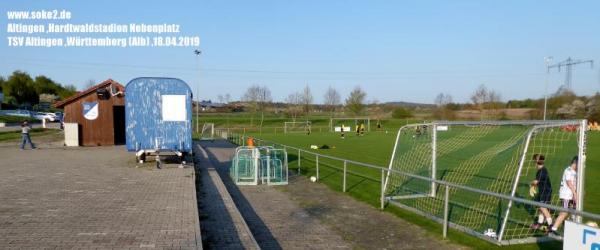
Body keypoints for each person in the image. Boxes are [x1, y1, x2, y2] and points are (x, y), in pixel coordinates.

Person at [549, 156, 579, 236]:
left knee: (574, 209)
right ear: (575, 162)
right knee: (564, 212)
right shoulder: (568, 170)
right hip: (566, 195)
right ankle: (553, 229)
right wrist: (575, 193)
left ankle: (571, 225)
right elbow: (569, 183)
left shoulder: (575, 172)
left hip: (571, 195)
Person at [530, 154, 553, 230]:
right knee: (541, 207)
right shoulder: (542, 170)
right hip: (544, 190)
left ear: (536, 162)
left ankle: (551, 225)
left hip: (545, 191)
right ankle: (540, 223)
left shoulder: (541, 171)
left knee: (543, 208)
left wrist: (531, 184)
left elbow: (536, 182)